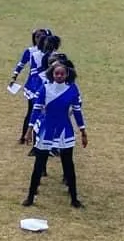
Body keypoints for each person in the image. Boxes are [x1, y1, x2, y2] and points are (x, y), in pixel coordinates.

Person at [23, 56, 86, 208]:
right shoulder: (45, 88)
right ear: (52, 74)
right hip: (47, 129)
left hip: (65, 130)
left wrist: (83, 131)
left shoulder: (72, 89)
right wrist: (29, 130)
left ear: (67, 74)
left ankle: (74, 198)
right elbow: (36, 110)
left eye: (62, 74)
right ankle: (30, 196)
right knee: (39, 164)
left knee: (68, 165)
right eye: (56, 73)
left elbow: (77, 111)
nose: (59, 76)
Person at [9, 28, 50, 144]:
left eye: (42, 36)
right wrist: (14, 76)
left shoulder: (51, 53)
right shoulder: (31, 51)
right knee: (32, 111)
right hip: (33, 85)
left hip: (46, 85)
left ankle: (40, 139)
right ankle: (24, 137)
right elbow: (21, 64)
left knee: (44, 112)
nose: (39, 39)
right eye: (37, 36)